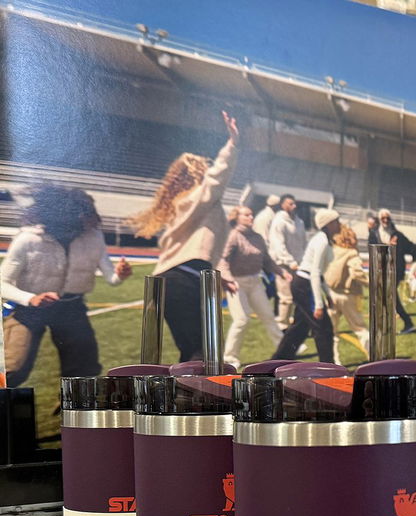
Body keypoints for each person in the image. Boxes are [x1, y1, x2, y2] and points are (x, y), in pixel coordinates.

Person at [129, 110, 239, 361]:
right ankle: (191, 398)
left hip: (169, 281)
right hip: (185, 281)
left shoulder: (181, 204)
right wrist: (232, 145)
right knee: (203, 356)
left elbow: (197, 248)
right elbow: (215, 180)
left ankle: (185, 396)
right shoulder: (197, 198)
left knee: (194, 353)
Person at [1, 186, 133, 386]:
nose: (91, 220)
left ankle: (71, 410)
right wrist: (31, 298)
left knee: (84, 372)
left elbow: (111, 278)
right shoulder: (28, 240)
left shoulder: (94, 237)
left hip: (72, 307)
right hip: (27, 310)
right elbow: (2, 283)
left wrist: (120, 274)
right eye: (84, 214)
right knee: (12, 369)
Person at [218, 205, 289, 369]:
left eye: (252, 214)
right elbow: (222, 260)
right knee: (242, 320)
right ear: (237, 217)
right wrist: (228, 280)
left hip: (255, 282)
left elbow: (267, 260)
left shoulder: (257, 237)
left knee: (268, 316)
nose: (251, 217)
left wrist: (281, 272)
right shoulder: (232, 236)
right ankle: (230, 358)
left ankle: (284, 351)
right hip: (236, 283)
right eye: (246, 215)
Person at [272, 208, 339, 364]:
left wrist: (327, 294)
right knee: (323, 328)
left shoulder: (323, 239)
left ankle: (277, 361)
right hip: (305, 284)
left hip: (304, 283)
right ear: (328, 224)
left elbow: (318, 274)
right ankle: (328, 367)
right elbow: (314, 272)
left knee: (300, 328)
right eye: (336, 221)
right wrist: (319, 305)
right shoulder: (322, 241)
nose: (339, 224)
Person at [368, 208, 416, 333]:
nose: (386, 220)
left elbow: (410, 247)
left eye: (388, 218)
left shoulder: (397, 235)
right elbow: (372, 250)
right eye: (383, 218)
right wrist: (388, 246)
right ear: (380, 219)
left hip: (395, 270)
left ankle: (398, 324)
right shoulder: (374, 234)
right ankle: (406, 323)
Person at [324, 224, 370, 365]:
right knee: (360, 328)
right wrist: (372, 284)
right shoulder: (351, 253)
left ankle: (334, 362)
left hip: (331, 294)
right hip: (349, 295)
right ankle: (376, 357)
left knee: (331, 332)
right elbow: (356, 273)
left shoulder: (332, 250)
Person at [268, 194, 305, 328]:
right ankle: (282, 325)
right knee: (286, 297)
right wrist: (290, 261)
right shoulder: (279, 221)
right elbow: (278, 245)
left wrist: (303, 260)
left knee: (297, 296)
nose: (293, 206)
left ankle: (292, 321)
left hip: (298, 263)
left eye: (294, 204)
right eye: (290, 204)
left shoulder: (299, 222)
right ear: (282, 205)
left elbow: (303, 243)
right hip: (283, 264)